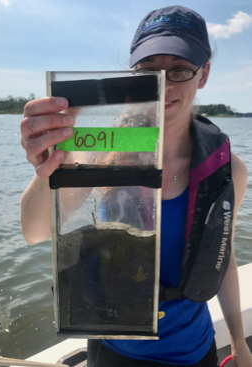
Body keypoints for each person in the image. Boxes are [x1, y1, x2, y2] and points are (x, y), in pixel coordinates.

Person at [20, 5, 252, 367]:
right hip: (116, 349)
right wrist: (49, 164)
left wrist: (239, 342)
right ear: (131, 77)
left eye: (179, 69)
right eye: (150, 72)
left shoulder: (229, 170)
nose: (165, 84)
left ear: (203, 74)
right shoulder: (98, 151)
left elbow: (223, 257)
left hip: (197, 350)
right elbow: (34, 232)